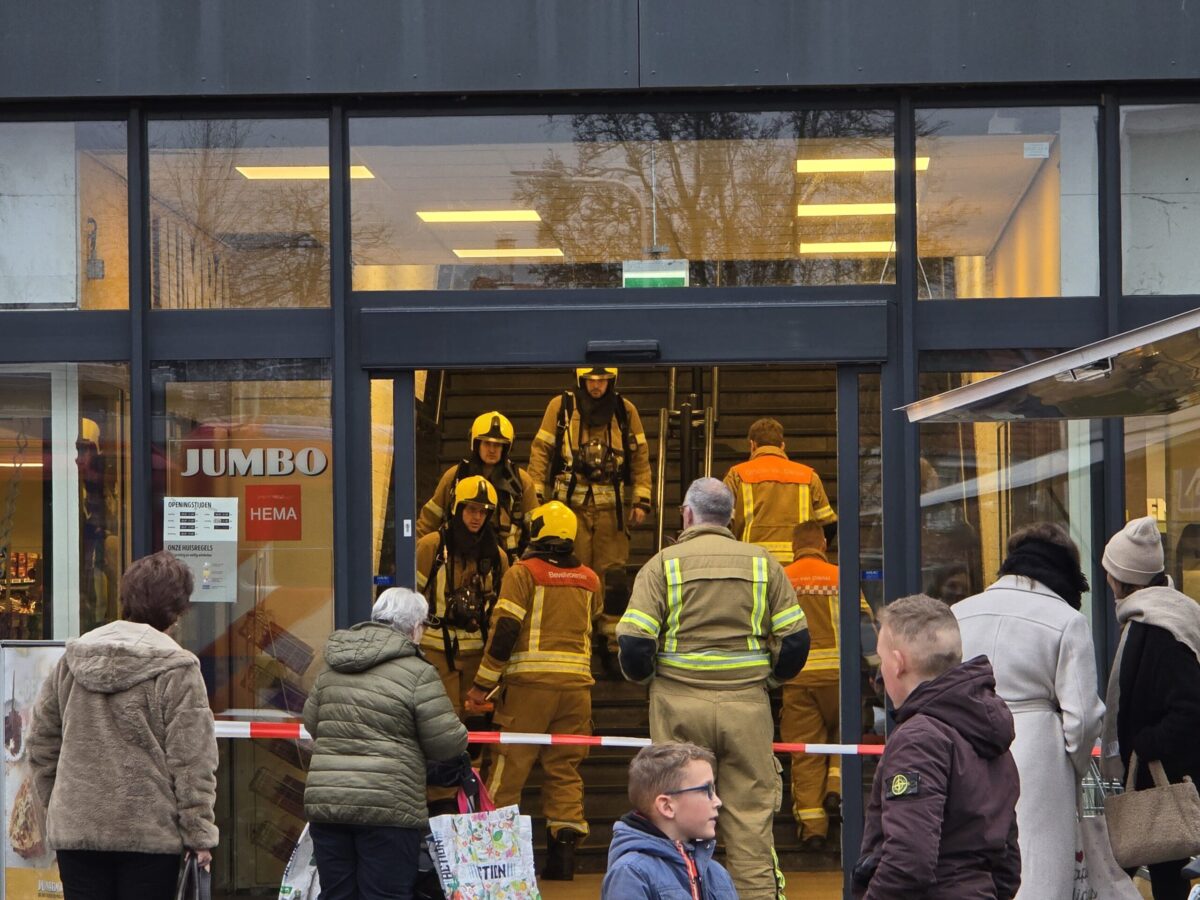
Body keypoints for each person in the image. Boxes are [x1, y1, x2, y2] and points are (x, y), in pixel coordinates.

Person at [617, 477, 810, 900]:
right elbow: (795, 642)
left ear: (687, 514)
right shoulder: (763, 564)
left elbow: (634, 644)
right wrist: (768, 680)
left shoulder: (662, 565)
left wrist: (652, 680)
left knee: (674, 821)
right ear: (732, 517)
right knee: (751, 824)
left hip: (678, 707)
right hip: (747, 709)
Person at [26, 550, 218, 900]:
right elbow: (192, 761)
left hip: (77, 828)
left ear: (125, 598)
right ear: (177, 610)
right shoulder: (178, 667)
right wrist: (199, 834)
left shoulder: (74, 657)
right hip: (149, 833)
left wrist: (59, 803)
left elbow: (40, 741)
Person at [952, 522, 1103, 900]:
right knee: (1037, 873)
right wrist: (1074, 765)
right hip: (1038, 756)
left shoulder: (959, 613)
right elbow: (1083, 718)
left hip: (966, 749)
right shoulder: (1067, 620)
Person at [464, 500, 604, 882]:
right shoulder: (591, 578)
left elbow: (505, 630)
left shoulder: (522, 572)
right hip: (576, 691)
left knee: (508, 769)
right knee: (565, 771)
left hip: (528, 690)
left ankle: (494, 865)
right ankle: (562, 862)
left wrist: (482, 685)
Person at [303, 588, 468, 900]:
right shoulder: (418, 673)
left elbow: (312, 723)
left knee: (337, 894)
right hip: (389, 809)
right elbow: (448, 743)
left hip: (329, 805)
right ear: (415, 627)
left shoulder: (332, 667)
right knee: (385, 895)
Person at [854, 594, 1021, 900]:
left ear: (898, 662)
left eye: (881, 659)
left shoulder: (918, 739)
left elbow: (908, 862)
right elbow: (1007, 860)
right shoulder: (985, 728)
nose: (879, 674)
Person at [1099, 516, 1200, 900]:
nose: (1107, 580)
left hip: (1168, 782)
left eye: (1110, 572)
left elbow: (1189, 709)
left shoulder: (1157, 628)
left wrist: (1143, 744)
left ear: (1123, 579)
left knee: (1165, 874)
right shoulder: (1167, 613)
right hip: (1171, 778)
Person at [780, 521, 879, 849]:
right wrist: (875, 668)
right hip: (840, 678)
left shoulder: (781, 579)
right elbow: (865, 626)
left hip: (799, 679)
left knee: (804, 754)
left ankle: (813, 830)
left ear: (794, 545)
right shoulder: (841, 577)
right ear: (823, 543)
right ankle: (835, 790)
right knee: (843, 739)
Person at [526, 367, 652, 616]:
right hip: (569, 512)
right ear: (580, 380)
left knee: (613, 575)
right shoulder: (561, 407)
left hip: (610, 515)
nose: (596, 385)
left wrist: (641, 499)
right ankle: (578, 627)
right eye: (590, 380)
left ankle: (610, 640)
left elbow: (640, 457)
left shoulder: (624, 411)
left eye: (602, 380)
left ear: (612, 380)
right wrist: (536, 496)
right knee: (572, 569)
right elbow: (541, 451)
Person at [415, 475, 508, 717]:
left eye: (484, 511)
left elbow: (500, 609)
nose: (477, 517)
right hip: (435, 652)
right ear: (458, 508)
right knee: (441, 720)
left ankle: (473, 758)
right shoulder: (431, 547)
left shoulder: (498, 557)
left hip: (476, 655)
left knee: (477, 724)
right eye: (472, 509)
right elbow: (409, 600)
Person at [601, 741, 738, 900]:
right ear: (667, 806)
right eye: (706, 790)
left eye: (714, 790)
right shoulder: (631, 873)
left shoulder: (716, 873)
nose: (717, 801)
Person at [416, 410, 538, 562]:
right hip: (456, 561)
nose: (492, 450)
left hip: (504, 563)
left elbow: (537, 530)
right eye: (487, 443)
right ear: (476, 443)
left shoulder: (521, 482)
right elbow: (428, 520)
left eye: (498, 445)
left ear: (506, 448)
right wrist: (418, 555)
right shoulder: (455, 477)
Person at [723, 417, 837, 564]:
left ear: (752, 445)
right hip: (797, 563)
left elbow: (721, 522)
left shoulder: (737, 475)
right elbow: (828, 524)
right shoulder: (808, 476)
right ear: (782, 446)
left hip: (752, 563)